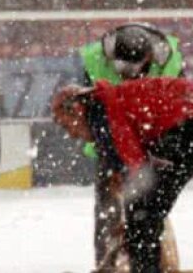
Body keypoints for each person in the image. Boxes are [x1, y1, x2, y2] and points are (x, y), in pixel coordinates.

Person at [52, 78, 193, 273]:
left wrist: (133, 221)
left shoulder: (100, 113)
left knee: (142, 214)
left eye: (65, 125)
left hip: (188, 124)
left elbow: (136, 169)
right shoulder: (113, 100)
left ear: (76, 109)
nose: (71, 135)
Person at [79, 24, 184, 267]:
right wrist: (115, 159)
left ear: (149, 59)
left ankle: (157, 262)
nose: (127, 76)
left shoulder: (170, 64)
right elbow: (94, 117)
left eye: (134, 70)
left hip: (151, 138)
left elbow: (177, 111)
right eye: (122, 69)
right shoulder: (95, 61)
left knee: (153, 207)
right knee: (109, 208)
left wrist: (159, 151)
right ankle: (108, 264)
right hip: (111, 138)